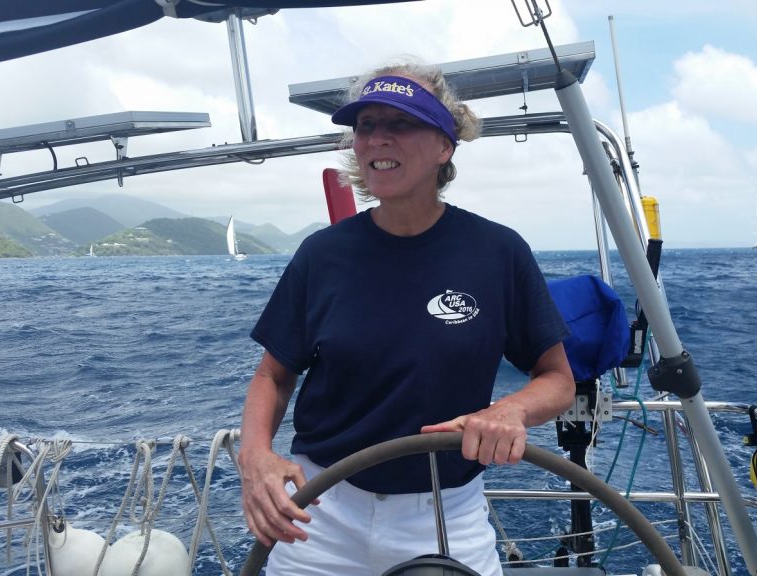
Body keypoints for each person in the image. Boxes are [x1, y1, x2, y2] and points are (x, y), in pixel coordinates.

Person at [239, 60, 575, 576]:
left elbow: (556, 379)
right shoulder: (321, 255)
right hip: (321, 510)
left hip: (446, 508)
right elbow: (272, 375)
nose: (378, 139)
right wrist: (256, 456)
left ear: (445, 145)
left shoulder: (497, 252)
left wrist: (511, 411)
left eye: (401, 123)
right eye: (367, 126)